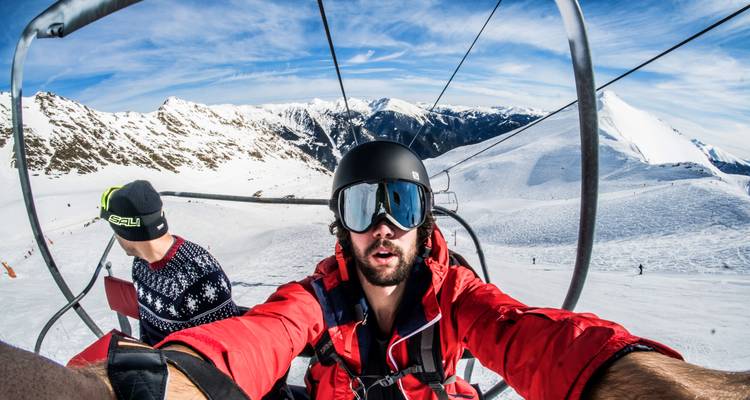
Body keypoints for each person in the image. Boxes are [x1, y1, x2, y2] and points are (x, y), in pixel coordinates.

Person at [1, 141, 749, 400]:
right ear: (340, 224)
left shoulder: (457, 298)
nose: (383, 224)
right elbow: (260, 336)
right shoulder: (319, 294)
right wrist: (146, 385)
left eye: (400, 204)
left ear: (425, 221)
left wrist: (635, 382)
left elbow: (535, 339)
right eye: (364, 206)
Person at [100, 180, 240, 345]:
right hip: (156, 359)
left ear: (126, 232)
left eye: (115, 231)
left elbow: (227, 346)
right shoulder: (140, 264)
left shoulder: (199, 275)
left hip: (184, 367)